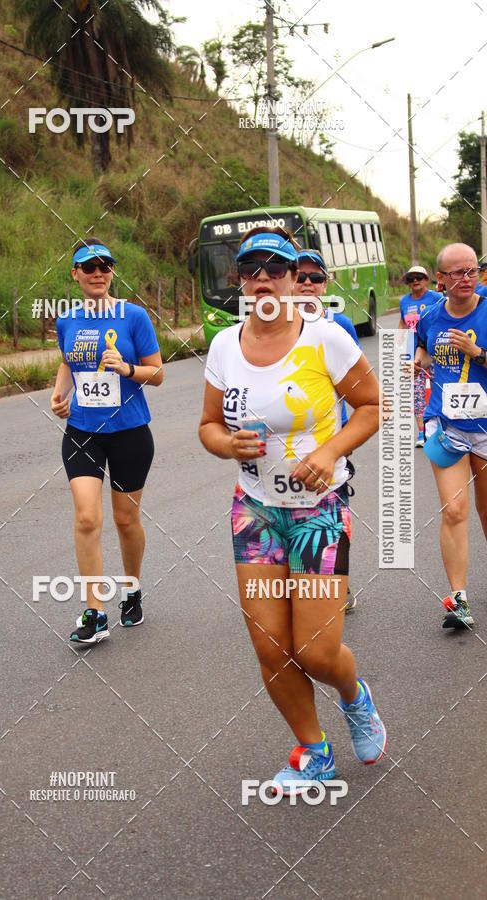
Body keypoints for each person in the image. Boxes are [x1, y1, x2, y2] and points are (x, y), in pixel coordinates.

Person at [199, 227, 386, 796]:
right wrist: (227, 444)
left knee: (316, 650)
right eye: (251, 268)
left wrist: (329, 451)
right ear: (239, 280)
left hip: (318, 513)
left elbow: (371, 406)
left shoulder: (325, 339)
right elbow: (208, 427)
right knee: (269, 647)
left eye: (275, 269)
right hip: (254, 512)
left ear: (289, 278)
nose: (263, 278)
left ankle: (355, 699)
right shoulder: (224, 346)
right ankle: (315, 749)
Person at [51, 238, 163, 643]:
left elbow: (158, 372)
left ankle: (131, 590)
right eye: (89, 267)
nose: (98, 273)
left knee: (125, 519)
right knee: (86, 517)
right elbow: (67, 361)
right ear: (75, 274)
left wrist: (128, 368)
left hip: (130, 433)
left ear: (112, 272)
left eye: (105, 266)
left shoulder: (133, 317)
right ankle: (94, 612)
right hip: (82, 432)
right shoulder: (67, 320)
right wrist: (59, 394)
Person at [415, 243, 487, 629]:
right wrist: (417, 363)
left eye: (471, 271)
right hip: (447, 425)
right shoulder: (429, 317)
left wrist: (477, 352)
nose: (465, 279)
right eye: (456, 273)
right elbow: (426, 352)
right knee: (455, 510)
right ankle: (458, 599)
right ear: (440, 278)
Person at [294, 249, 360, 613]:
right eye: (300, 276)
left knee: (333, 512)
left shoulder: (340, 327)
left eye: (314, 277)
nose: (306, 283)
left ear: (326, 283)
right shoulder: (273, 325)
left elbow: (359, 393)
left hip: (332, 438)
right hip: (284, 439)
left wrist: (343, 440)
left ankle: (340, 582)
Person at [398, 266, 442, 447]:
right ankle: (422, 432)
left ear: (426, 279)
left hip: (435, 351)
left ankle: (441, 427)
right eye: (411, 278)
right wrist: (399, 344)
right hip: (412, 353)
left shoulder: (436, 298)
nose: (415, 281)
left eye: (419, 277)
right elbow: (402, 323)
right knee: (416, 392)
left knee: (440, 387)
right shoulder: (404, 302)